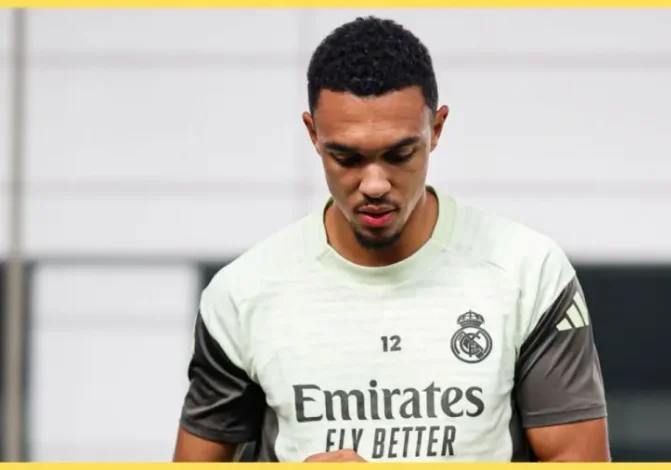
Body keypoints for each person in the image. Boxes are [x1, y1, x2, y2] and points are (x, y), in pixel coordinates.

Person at [172, 15, 610, 463]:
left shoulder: (528, 274)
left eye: (400, 154)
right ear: (313, 134)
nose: (375, 184)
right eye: (346, 157)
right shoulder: (242, 293)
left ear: (436, 129)